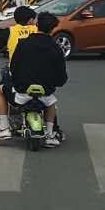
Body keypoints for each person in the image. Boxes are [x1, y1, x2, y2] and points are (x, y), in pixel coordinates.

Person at [7, 11, 67, 147]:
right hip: (45, 93)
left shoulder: (23, 44)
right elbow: (61, 77)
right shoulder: (56, 48)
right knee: (51, 104)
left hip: (22, 92)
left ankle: (3, 126)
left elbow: (14, 67)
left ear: (37, 25)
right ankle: (50, 134)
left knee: (0, 90)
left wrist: (16, 82)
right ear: (53, 29)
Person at [0, 5, 38, 141]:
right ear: (30, 20)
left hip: (16, 73)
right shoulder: (37, 30)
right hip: (39, 73)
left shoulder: (10, 31)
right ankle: (54, 129)